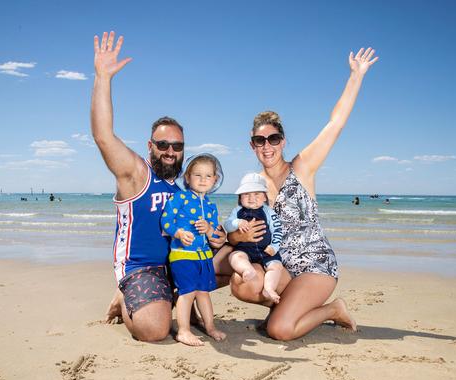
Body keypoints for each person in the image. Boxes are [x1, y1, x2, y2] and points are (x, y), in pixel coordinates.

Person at [216, 47, 378, 340]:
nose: (267, 146)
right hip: (282, 268)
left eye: (273, 139)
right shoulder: (253, 188)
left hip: (315, 266)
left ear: (283, 140)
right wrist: (236, 236)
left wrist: (356, 76)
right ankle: (285, 306)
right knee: (242, 284)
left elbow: (335, 123)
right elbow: (239, 230)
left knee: (280, 330)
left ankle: (332, 309)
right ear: (252, 145)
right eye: (259, 140)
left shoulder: (302, 168)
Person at [91, 31, 184, 342]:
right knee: (154, 330)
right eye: (163, 144)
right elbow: (104, 136)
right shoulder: (136, 174)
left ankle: (168, 298)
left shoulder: (181, 190)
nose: (171, 151)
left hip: (173, 267)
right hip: (140, 269)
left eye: (177, 146)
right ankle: (126, 297)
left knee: (230, 258)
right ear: (150, 146)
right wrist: (103, 77)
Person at [161, 154, 226, 346]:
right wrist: (179, 233)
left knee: (203, 293)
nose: (203, 180)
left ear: (215, 180)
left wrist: (209, 230)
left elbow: (215, 237)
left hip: (204, 257)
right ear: (188, 177)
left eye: (208, 176)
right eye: (198, 175)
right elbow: (165, 222)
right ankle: (183, 330)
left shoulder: (211, 206)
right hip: (182, 256)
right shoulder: (180, 197)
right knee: (187, 292)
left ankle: (210, 327)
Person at [223, 173, 285, 303]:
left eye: (257, 194)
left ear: (264, 197)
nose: (252, 198)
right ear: (240, 197)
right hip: (244, 249)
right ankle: (247, 270)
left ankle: (268, 288)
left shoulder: (269, 212)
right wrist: (237, 223)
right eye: (246, 194)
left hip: (266, 251)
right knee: (235, 257)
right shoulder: (237, 211)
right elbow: (227, 225)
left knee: (276, 267)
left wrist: (274, 246)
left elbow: (278, 230)